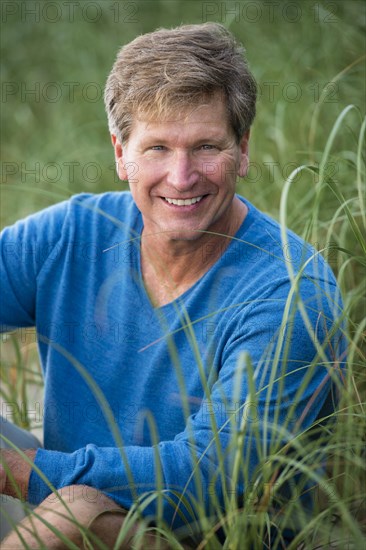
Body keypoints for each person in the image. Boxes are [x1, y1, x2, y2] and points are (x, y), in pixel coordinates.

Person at [0, 23, 345, 548]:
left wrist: (28, 473)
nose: (182, 177)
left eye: (206, 146)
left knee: (76, 510)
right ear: (121, 153)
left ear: (243, 149)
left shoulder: (292, 289)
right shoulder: (75, 234)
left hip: (212, 536)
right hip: (67, 494)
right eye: (157, 147)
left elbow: (209, 476)